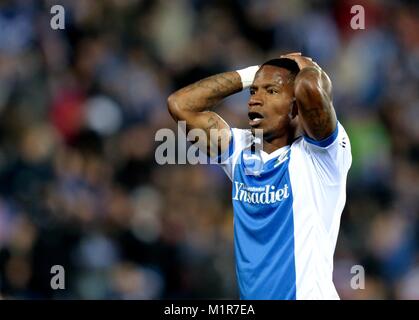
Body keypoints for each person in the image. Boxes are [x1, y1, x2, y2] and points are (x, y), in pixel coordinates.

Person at [167, 52, 352, 300]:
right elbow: (180, 104)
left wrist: (306, 66)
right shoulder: (241, 149)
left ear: (296, 106)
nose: (255, 100)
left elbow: (311, 88)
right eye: (253, 92)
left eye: (271, 91)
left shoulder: (322, 156)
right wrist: (252, 74)